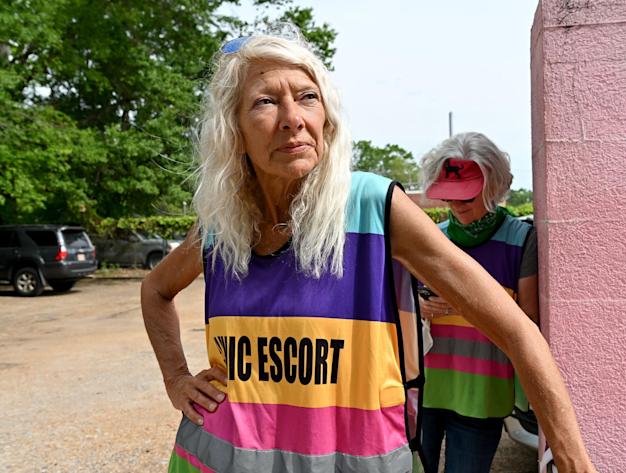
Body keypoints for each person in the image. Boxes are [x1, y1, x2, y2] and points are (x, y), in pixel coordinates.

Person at [140, 31, 596, 473]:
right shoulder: (221, 225)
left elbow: (518, 330)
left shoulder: (372, 208)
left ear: (327, 119)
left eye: (307, 97)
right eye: (264, 101)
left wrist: (573, 460)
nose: (292, 118)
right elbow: (155, 290)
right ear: (233, 129)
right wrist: (176, 379)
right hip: (215, 457)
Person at [417, 132, 539, 473]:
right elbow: (398, 304)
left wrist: (466, 302)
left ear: (493, 185)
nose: (457, 204)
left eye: (467, 194)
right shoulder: (431, 238)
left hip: (482, 390)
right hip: (425, 386)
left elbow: (529, 320)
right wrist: (416, 305)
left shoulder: (520, 239)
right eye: (450, 195)